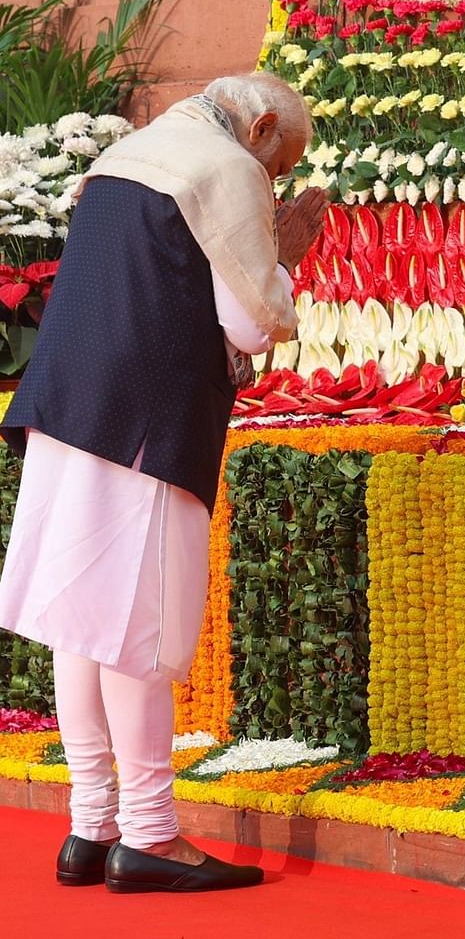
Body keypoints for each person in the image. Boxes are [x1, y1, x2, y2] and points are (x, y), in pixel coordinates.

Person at [0, 74, 327, 895]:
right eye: (279, 163)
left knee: (81, 623)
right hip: (144, 422)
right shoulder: (225, 166)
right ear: (257, 127)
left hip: (67, 405)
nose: (275, 180)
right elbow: (251, 322)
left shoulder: (128, 152)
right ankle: (148, 835)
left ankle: (91, 823)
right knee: (136, 628)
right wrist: (283, 255)